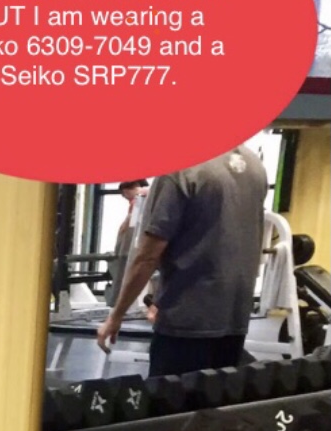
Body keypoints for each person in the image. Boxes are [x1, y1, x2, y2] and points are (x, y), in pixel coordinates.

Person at [98, 146, 268, 376]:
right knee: (218, 396)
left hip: (186, 321)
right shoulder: (255, 166)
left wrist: (116, 315)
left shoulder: (180, 168)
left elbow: (148, 255)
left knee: (172, 398)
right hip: (235, 319)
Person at [107, 178, 148, 307]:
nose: (124, 197)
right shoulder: (146, 198)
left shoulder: (140, 199)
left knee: (124, 273)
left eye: (124, 193)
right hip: (138, 243)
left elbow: (131, 223)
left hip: (132, 246)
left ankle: (118, 304)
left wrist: (122, 229)